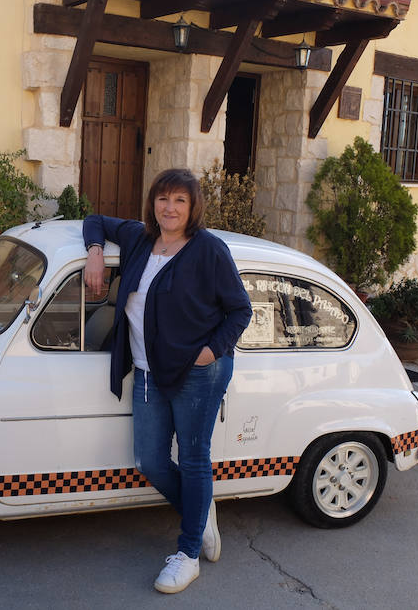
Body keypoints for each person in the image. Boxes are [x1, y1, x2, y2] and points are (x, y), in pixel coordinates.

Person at [82, 168, 252, 594]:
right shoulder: (141, 238)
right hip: (146, 369)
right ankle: (201, 512)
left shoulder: (208, 250)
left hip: (199, 371)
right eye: (162, 199)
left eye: (179, 200)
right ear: (152, 203)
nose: (170, 208)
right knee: (151, 462)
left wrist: (209, 352)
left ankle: (188, 553)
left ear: (193, 206)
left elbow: (240, 310)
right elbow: (95, 221)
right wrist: (96, 252)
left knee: (194, 459)